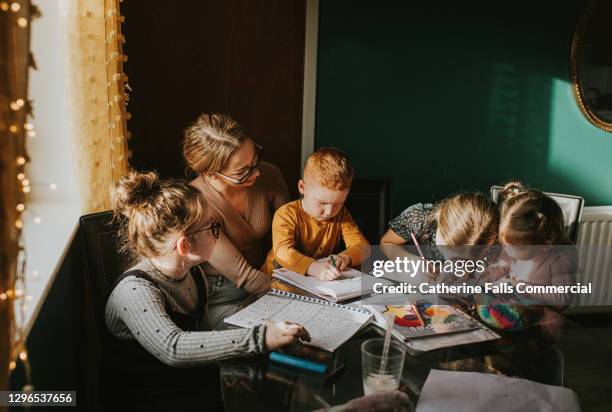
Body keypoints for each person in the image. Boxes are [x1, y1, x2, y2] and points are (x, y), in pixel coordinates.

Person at [105, 171, 309, 408]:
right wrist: (261, 337)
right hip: (145, 396)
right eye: (213, 228)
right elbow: (174, 347)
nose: (218, 234)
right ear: (184, 245)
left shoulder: (192, 271)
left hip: (184, 379)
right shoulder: (134, 291)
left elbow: (200, 331)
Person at [183, 113, 290, 327]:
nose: (257, 172)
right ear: (211, 174)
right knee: (255, 338)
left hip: (267, 275)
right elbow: (244, 276)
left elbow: (291, 233)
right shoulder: (195, 204)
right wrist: (299, 291)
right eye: (243, 171)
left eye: (255, 159)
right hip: (222, 294)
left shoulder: (270, 175)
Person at [478, 181, 577, 333]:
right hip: (516, 309)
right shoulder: (513, 248)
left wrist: (523, 288)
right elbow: (505, 265)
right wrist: (489, 274)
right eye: (504, 244)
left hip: (544, 317)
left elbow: (563, 298)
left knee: (544, 340)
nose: (506, 250)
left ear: (544, 245)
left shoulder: (559, 258)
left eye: (513, 247)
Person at [262, 147, 370, 280]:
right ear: (302, 187)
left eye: (338, 203)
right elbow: (283, 252)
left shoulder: (342, 215)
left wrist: (344, 257)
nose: (329, 212)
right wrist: (313, 267)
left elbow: (363, 247)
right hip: (275, 282)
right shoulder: (286, 214)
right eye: (322, 203)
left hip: (313, 283)